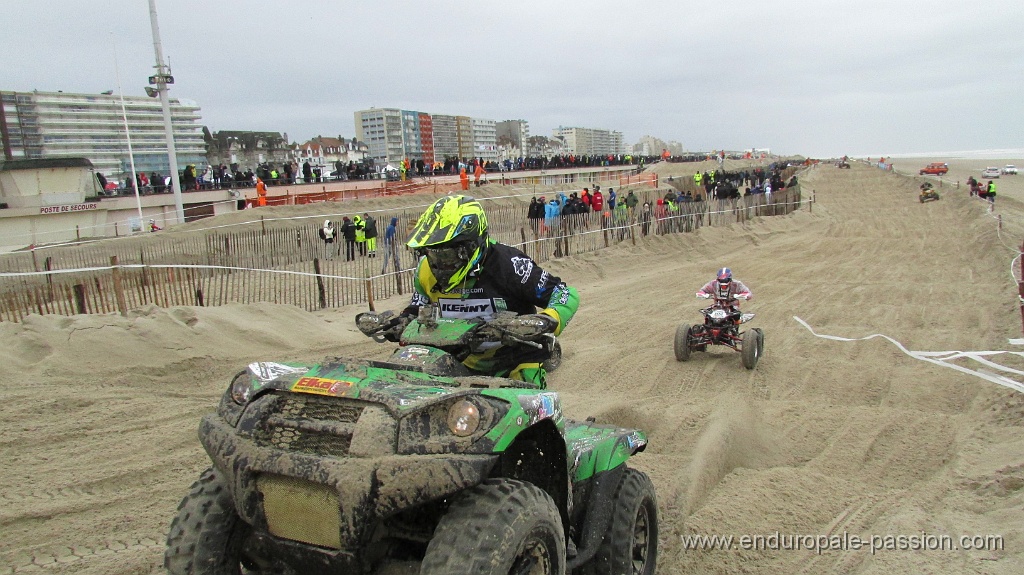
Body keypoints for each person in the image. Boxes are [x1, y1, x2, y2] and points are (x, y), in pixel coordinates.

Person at [358, 195, 579, 387]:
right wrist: (403, 320)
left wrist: (547, 320)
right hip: (454, 358)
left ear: (472, 244)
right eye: (433, 253)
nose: (440, 263)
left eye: (448, 254)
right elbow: (420, 304)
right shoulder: (425, 270)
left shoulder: (510, 265)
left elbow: (564, 293)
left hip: (511, 358)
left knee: (525, 394)